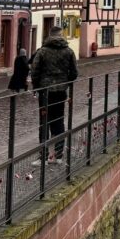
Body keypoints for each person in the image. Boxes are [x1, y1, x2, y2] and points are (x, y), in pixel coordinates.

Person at [31, 26, 78, 163]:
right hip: (61, 91)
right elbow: (74, 73)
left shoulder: (42, 52)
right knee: (59, 121)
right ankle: (58, 155)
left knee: (44, 122)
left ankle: (43, 157)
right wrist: (65, 82)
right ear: (61, 35)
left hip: (45, 92)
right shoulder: (69, 51)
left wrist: (36, 87)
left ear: (49, 35)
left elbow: (34, 71)